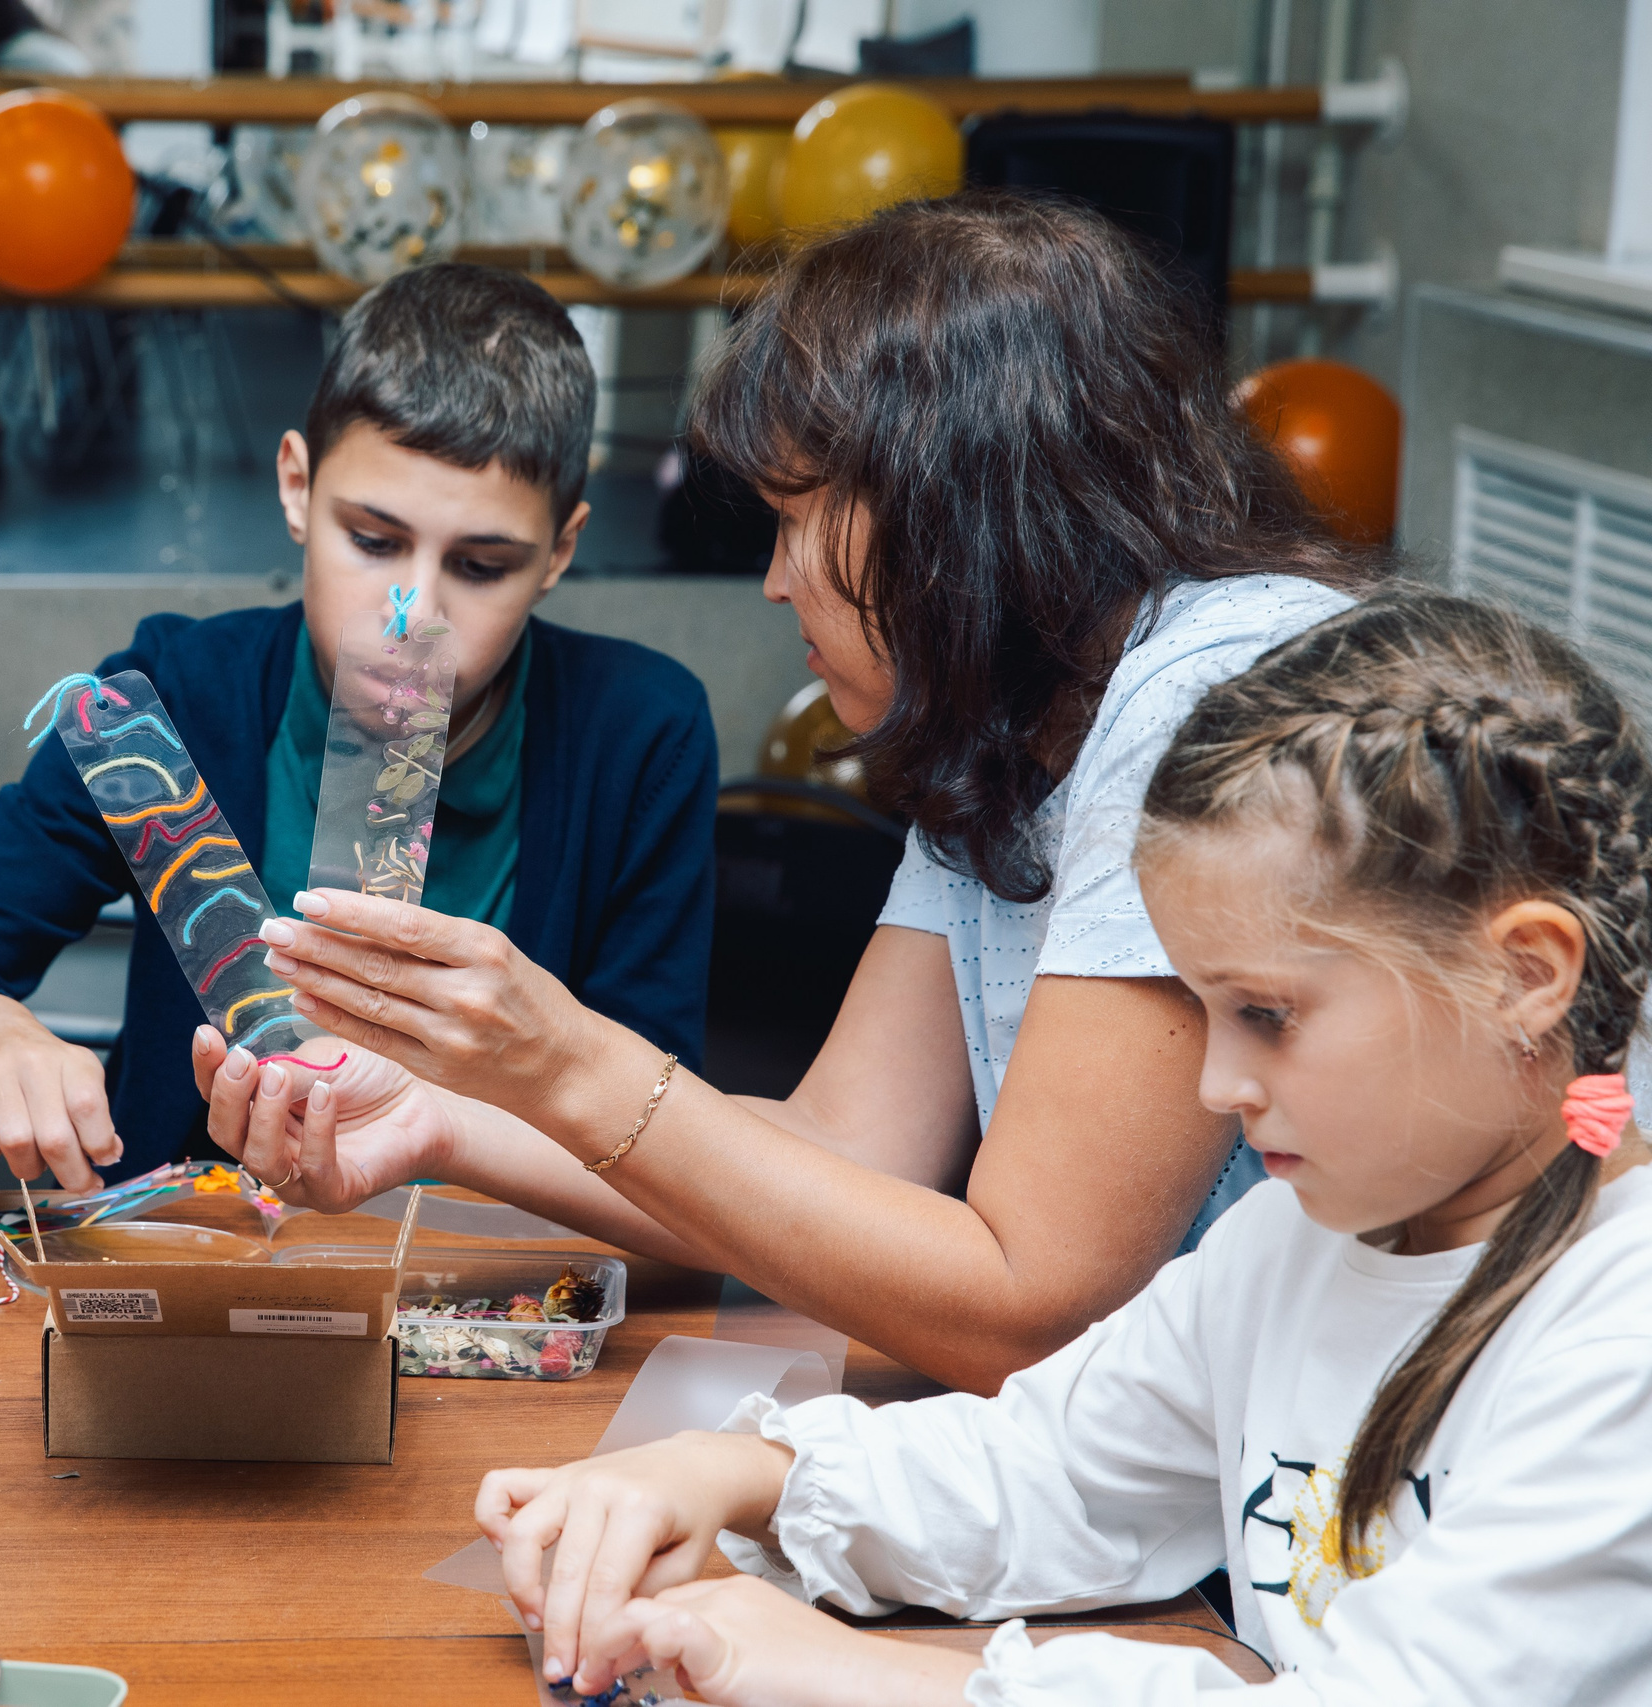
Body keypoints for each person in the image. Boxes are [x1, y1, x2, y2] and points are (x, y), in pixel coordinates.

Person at [200, 194, 1381, 1393]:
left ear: (941, 503)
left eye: (793, 522)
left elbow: (1028, 1306)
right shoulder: (1010, 730)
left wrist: (559, 1059)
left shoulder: (1209, 699)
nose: (771, 585)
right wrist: (443, 1123)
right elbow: (840, 1157)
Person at [471, 590, 1652, 1705]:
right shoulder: (1285, 1245)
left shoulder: (1622, 1337)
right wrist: (734, 1478)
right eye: (1203, 1011)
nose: (1214, 1082)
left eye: (1268, 1016)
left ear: (1522, 976)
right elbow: (1052, 1469)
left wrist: (882, 1679)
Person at [0, 263, 717, 1188]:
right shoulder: (167, 703)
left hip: (502, 1286)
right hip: (204, 1271)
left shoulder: (639, 735)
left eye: (483, 565)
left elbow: (666, 1130)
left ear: (561, 549)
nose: (411, 612)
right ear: (296, 486)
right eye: (371, 541)